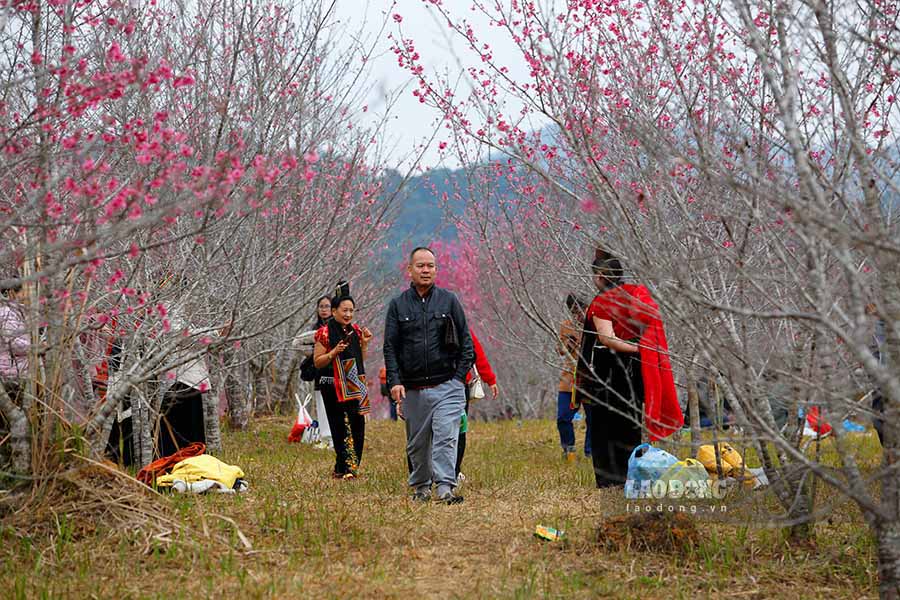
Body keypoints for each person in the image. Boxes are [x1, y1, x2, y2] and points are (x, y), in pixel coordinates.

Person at [576, 256, 683, 487]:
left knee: (605, 426)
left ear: (601, 276)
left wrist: (635, 348)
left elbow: (607, 338)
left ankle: (610, 480)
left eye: (595, 275)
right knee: (631, 421)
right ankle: (632, 475)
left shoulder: (602, 302)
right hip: (639, 369)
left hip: (610, 369)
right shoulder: (637, 293)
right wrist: (643, 350)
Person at [384, 246, 474, 504]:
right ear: (409, 270)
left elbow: (467, 343)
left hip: (448, 384)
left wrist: (458, 378)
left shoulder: (449, 301)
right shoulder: (398, 305)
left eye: (431, 266)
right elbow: (390, 347)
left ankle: (446, 489)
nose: (426, 270)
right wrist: (395, 381)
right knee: (418, 443)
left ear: (436, 270)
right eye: (421, 265)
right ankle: (421, 488)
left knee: (446, 436)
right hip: (413, 388)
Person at [314, 293, 373, 479]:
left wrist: (364, 344)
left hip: (353, 384)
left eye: (351, 311)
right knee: (339, 426)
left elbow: (360, 360)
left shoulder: (355, 331)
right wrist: (333, 352)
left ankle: (348, 467)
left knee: (357, 425)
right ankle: (345, 468)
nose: (348, 314)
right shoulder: (324, 333)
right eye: (344, 310)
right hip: (331, 385)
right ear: (334, 311)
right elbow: (318, 362)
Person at [455, 330, 498, 482]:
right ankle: (453, 471)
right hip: (458, 385)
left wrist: (490, 379)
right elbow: (476, 352)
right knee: (459, 430)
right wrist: (490, 380)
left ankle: (453, 470)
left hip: (457, 385)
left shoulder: (460, 325)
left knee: (458, 430)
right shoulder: (460, 323)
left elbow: (476, 353)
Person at [557, 294, 592, 462]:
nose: (578, 316)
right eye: (574, 312)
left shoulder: (593, 325)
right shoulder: (566, 326)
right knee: (563, 417)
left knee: (593, 417)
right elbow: (560, 350)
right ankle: (568, 449)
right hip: (569, 379)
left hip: (590, 379)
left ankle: (590, 452)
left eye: (580, 311)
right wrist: (569, 344)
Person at [0, 278, 28, 406]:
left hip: (18, 371)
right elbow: (14, 343)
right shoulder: (7, 313)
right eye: (24, 291)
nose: (26, 295)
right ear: (12, 293)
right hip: (10, 373)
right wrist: (36, 346)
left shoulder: (17, 311)